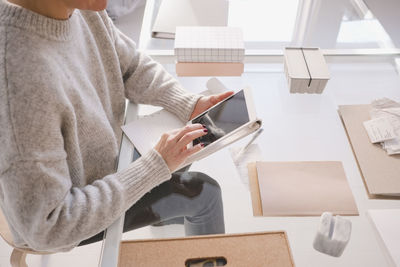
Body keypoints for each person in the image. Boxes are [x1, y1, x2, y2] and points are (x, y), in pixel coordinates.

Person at [0, 0, 232, 252]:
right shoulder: (21, 82)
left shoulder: (80, 8)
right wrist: (154, 167)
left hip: (103, 160)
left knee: (186, 135)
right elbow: (48, 227)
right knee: (203, 192)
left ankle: (166, 212)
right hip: (64, 214)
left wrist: (189, 103)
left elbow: (129, 64)